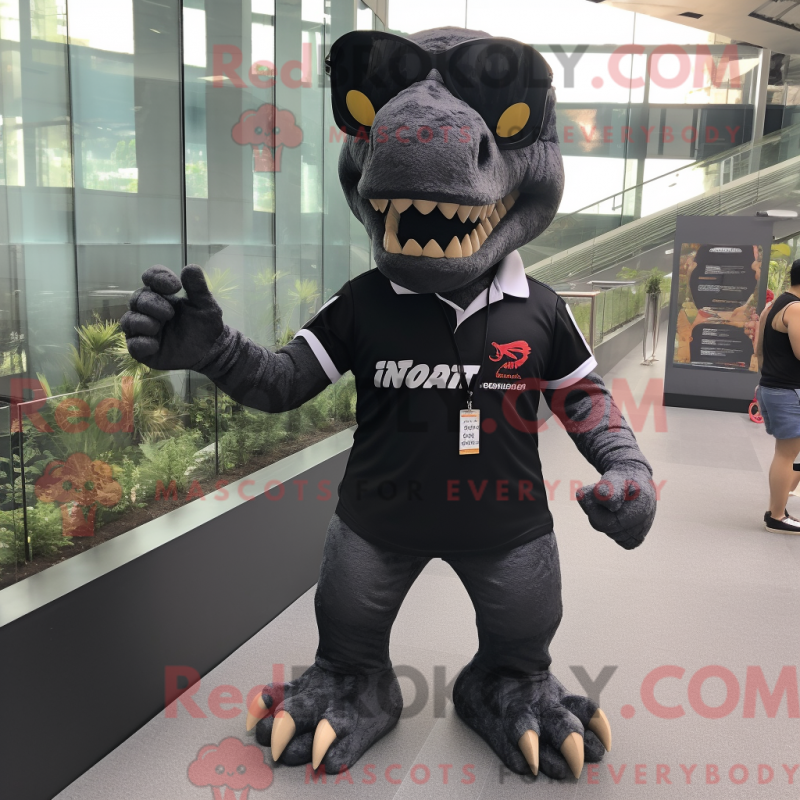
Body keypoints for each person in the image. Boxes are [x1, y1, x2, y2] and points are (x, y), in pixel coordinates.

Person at [755, 260, 800, 533]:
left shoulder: (773, 306)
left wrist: (767, 380)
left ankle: (777, 508)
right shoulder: (796, 308)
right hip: (788, 391)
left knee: (786, 453)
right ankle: (777, 516)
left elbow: (759, 349)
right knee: (786, 454)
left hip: (773, 387)